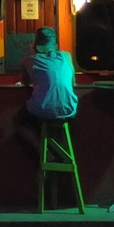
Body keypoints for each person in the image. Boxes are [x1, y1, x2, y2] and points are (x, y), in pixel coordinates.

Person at [16, 25, 78, 157]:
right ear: (54, 44)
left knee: (20, 122)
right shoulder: (66, 56)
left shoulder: (28, 61)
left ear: (35, 44)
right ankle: (60, 155)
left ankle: (44, 153)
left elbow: (25, 83)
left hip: (42, 110)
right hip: (69, 109)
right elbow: (73, 82)